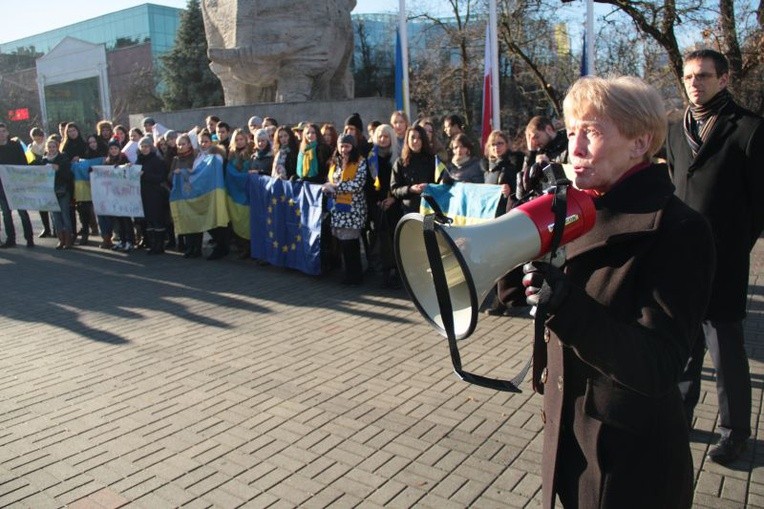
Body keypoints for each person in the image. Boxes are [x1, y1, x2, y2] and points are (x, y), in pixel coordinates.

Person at [518, 75, 715, 508]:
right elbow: (518, 297)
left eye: (592, 131)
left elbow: (659, 364)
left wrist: (564, 305)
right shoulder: (576, 209)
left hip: (626, 461)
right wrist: (516, 232)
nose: (575, 148)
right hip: (571, 438)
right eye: (572, 132)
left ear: (640, 143)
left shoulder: (678, 229)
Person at [668, 49, 764, 465]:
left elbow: (759, 203)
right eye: (689, 76)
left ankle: (735, 432)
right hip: (680, 259)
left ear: (724, 79)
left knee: (725, 348)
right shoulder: (674, 128)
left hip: (724, 259)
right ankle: (679, 415)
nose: (694, 83)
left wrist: (737, 244)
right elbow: (675, 184)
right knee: (683, 343)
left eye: (703, 76)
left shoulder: (749, 129)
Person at [323, 134, 368, 285]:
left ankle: (355, 276)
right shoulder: (335, 162)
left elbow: (357, 185)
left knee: (351, 245)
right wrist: (327, 186)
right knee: (343, 244)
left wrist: (335, 187)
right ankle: (348, 274)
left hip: (353, 211)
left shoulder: (360, 162)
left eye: (347, 146)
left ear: (353, 146)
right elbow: (331, 180)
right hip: (338, 210)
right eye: (341, 146)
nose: (344, 149)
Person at [0, 123, 34, 248]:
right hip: (2, 187)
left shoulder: (15, 146)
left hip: (17, 185)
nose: (1, 134)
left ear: (7, 132)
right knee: (6, 214)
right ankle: (11, 239)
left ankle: (29, 238)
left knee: (22, 212)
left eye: (3, 131)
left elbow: (23, 162)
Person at [390, 125, 435, 214]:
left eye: (419, 138)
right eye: (412, 138)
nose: (415, 141)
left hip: (429, 210)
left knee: (428, 228)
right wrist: (410, 189)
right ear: (407, 140)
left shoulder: (432, 160)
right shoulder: (400, 162)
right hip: (409, 211)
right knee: (412, 228)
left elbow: (441, 183)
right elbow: (394, 189)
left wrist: (428, 186)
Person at [136, 137, 169, 255]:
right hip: (143, 194)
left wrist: (145, 175)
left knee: (157, 220)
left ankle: (160, 246)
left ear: (151, 147)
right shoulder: (138, 160)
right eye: (142, 146)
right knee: (148, 221)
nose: (144, 149)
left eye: (146, 146)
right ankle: (152, 244)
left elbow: (161, 177)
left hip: (155, 194)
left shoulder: (157, 160)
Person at [42, 136, 73, 250]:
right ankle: (61, 239)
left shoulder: (63, 158)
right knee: (56, 217)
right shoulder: (44, 160)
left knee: (65, 215)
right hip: (50, 192)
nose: (51, 149)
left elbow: (68, 176)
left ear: (57, 147)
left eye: (53, 147)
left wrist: (58, 169)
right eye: (49, 147)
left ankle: (68, 239)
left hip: (63, 191)